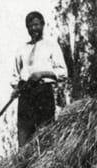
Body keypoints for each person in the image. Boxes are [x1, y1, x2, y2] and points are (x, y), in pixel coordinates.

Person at [11, 11, 67, 147]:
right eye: (30, 26)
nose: (33, 29)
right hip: (25, 94)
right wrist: (16, 87)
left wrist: (41, 74)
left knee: (45, 131)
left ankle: (44, 164)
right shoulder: (22, 49)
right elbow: (15, 74)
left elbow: (62, 72)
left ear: (43, 25)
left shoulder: (51, 45)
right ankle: (22, 163)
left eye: (36, 25)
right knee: (24, 132)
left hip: (43, 92)